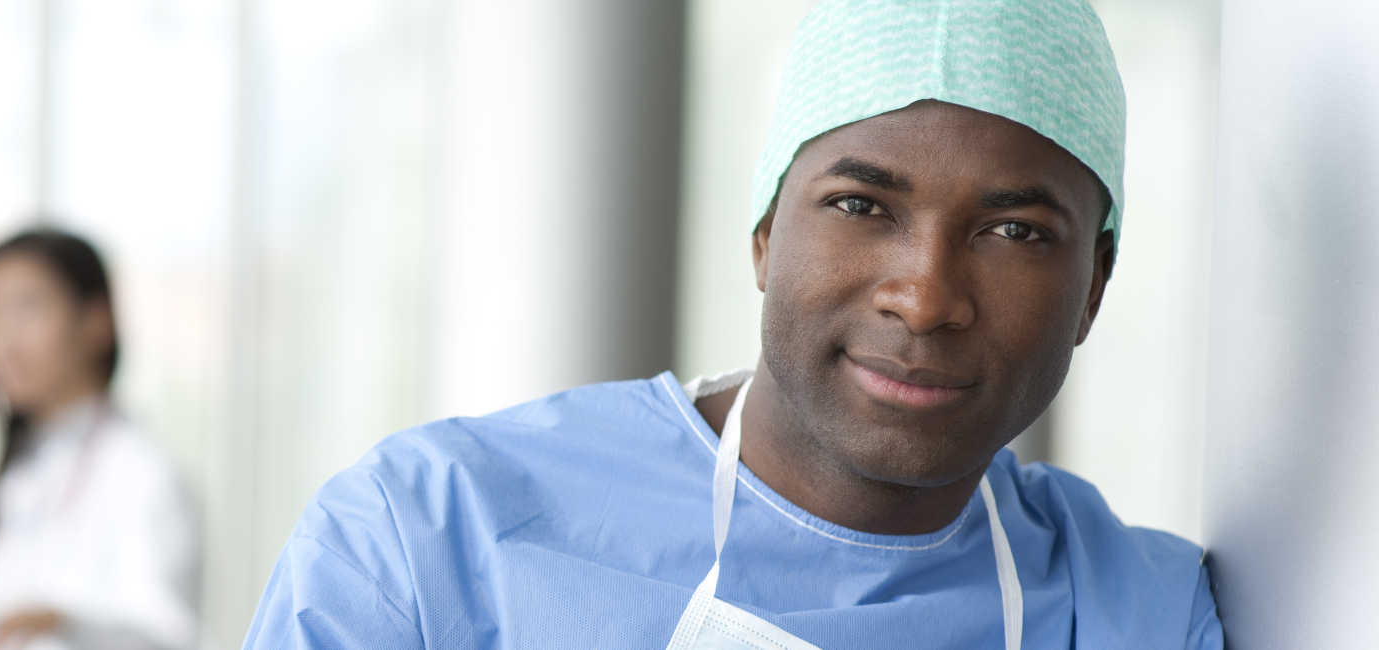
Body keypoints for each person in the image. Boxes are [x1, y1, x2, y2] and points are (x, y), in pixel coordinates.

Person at [243, 0, 1224, 648]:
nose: (923, 297)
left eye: (1013, 229)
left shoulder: (1136, 612)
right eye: (858, 205)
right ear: (763, 233)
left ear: (1092, 282)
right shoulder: (422, 541)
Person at [0, 226, 200, 650]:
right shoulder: (24, 464)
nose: (1, 339)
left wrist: (65, 623)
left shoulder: (141, 471)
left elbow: (170, 635)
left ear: (96, 321)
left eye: (26, 309)